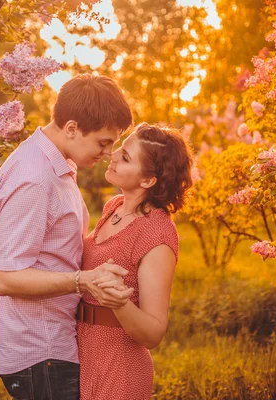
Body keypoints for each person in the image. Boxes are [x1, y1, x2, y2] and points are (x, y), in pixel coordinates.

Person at [0, 74, 133, 400]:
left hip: (53, 342)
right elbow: (8, 279)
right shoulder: (33, 178)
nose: (109, 153)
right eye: (103, 142)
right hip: (40, 351)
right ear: (71, 128)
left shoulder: (58, 163)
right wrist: (83, 280)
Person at [77, 123, 194, 400]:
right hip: (83, 354)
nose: (113, 156)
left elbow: (154, 333)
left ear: (148, 181)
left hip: (120, 367)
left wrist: (119, 302)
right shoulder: (113, 208)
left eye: (126, 157)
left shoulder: (157, 233)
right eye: (120, 149)